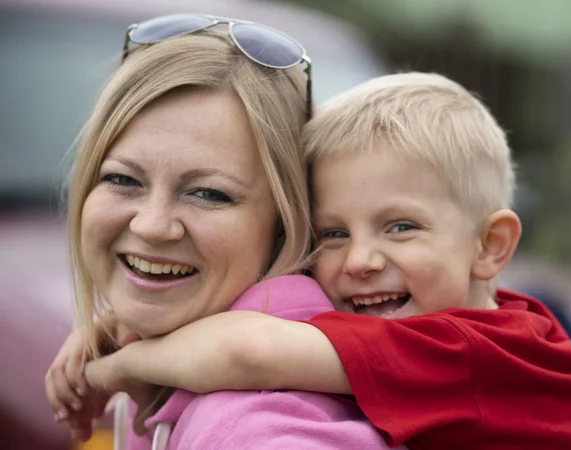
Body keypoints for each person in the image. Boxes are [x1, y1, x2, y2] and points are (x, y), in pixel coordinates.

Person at [50, 71, 571, 449]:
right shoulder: (454, 320)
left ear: (490, 245)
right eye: (332, 233)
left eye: (400, 227)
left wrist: (115, 367)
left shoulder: (469, 350)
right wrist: (117, 324)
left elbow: (248, 350)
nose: (359, 260)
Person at [45, 13, 395, 450]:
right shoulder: (167, 357)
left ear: (285, 227)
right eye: (122, 179)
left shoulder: (254, 423)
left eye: (209, 194)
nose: (152, 225)